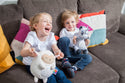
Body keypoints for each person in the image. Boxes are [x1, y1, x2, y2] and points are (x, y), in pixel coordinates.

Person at [20, 12, 71, 83]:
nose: (49, 24)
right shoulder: (32, 36)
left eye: (50, 22)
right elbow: (22, 52)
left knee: (60, 74)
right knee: (51, 78)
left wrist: (58, 52)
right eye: (45, 21)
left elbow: (55, 48)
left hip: (47, 64)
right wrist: (29, 52)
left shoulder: (51, 36)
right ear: (35, 26)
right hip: (34, 65)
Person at [57, 10, 92, 78]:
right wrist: (73, 40)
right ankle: (65, 60)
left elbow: (82, 39)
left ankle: (73, 68)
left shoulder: (78, 30)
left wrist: (86, 40)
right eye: (67, 23)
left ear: (76, 22)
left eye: (72, 22)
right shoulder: (64, 31)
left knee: (88, 57)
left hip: (74, 53)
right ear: (64, 24)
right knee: (64, 39)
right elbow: (62, 42)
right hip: (65, 52)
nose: (70, 24)